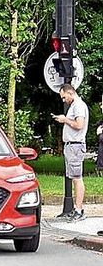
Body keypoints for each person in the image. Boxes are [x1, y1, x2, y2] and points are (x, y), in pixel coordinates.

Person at [53, 84, 89, 221]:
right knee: (74, 177)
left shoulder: (78, 105)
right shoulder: (74, 106)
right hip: (71, 146)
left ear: (70, 93)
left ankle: (79, 210)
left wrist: (65, 119)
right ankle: (77, 208)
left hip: (75, 146)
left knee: (77, 178)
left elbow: (79, 125)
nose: (64, 100)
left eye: (64, 97)